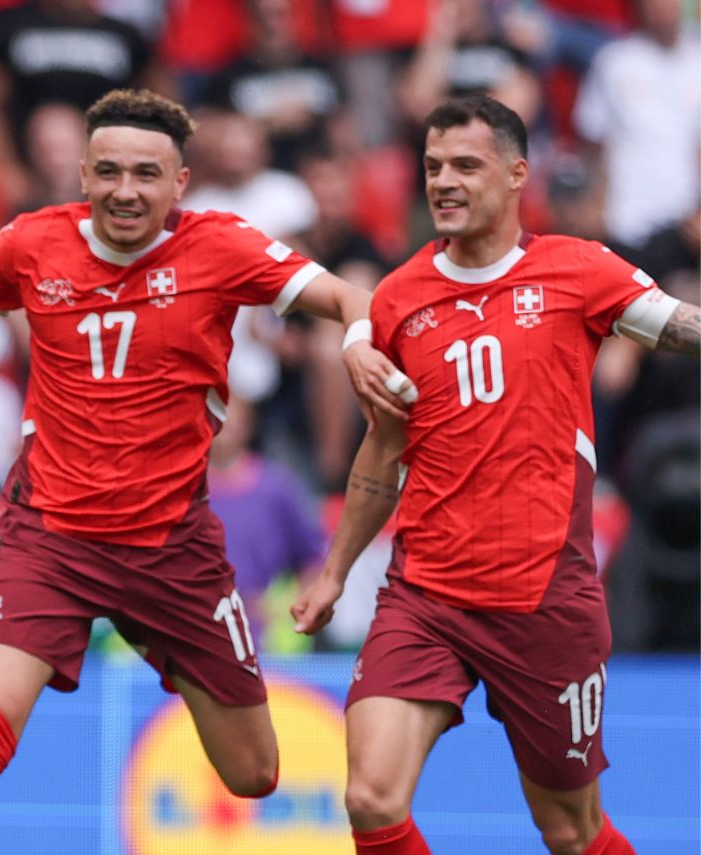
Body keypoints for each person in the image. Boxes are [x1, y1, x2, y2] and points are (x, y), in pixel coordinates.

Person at [0, 88, 415, 855]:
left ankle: (169, 648)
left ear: (180, 183)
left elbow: (350, 296)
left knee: (255, 773)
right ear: (82, 174)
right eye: (108, 171)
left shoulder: (220, 246)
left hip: (174, 551)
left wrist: (358, 342)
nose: (125, 191)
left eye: (146, 174)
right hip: (49, 540)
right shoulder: (32, 243)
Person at [292, 94, 700, 855]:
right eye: (432, 166)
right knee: (370, 798)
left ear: (516, 174)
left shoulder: (578, 270)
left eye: (465, 165)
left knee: (570, 830)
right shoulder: (399, 298)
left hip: (545, 599)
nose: (444, 182)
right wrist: (335, 572)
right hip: (425, 595)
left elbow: (680, 326)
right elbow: (382, 449)